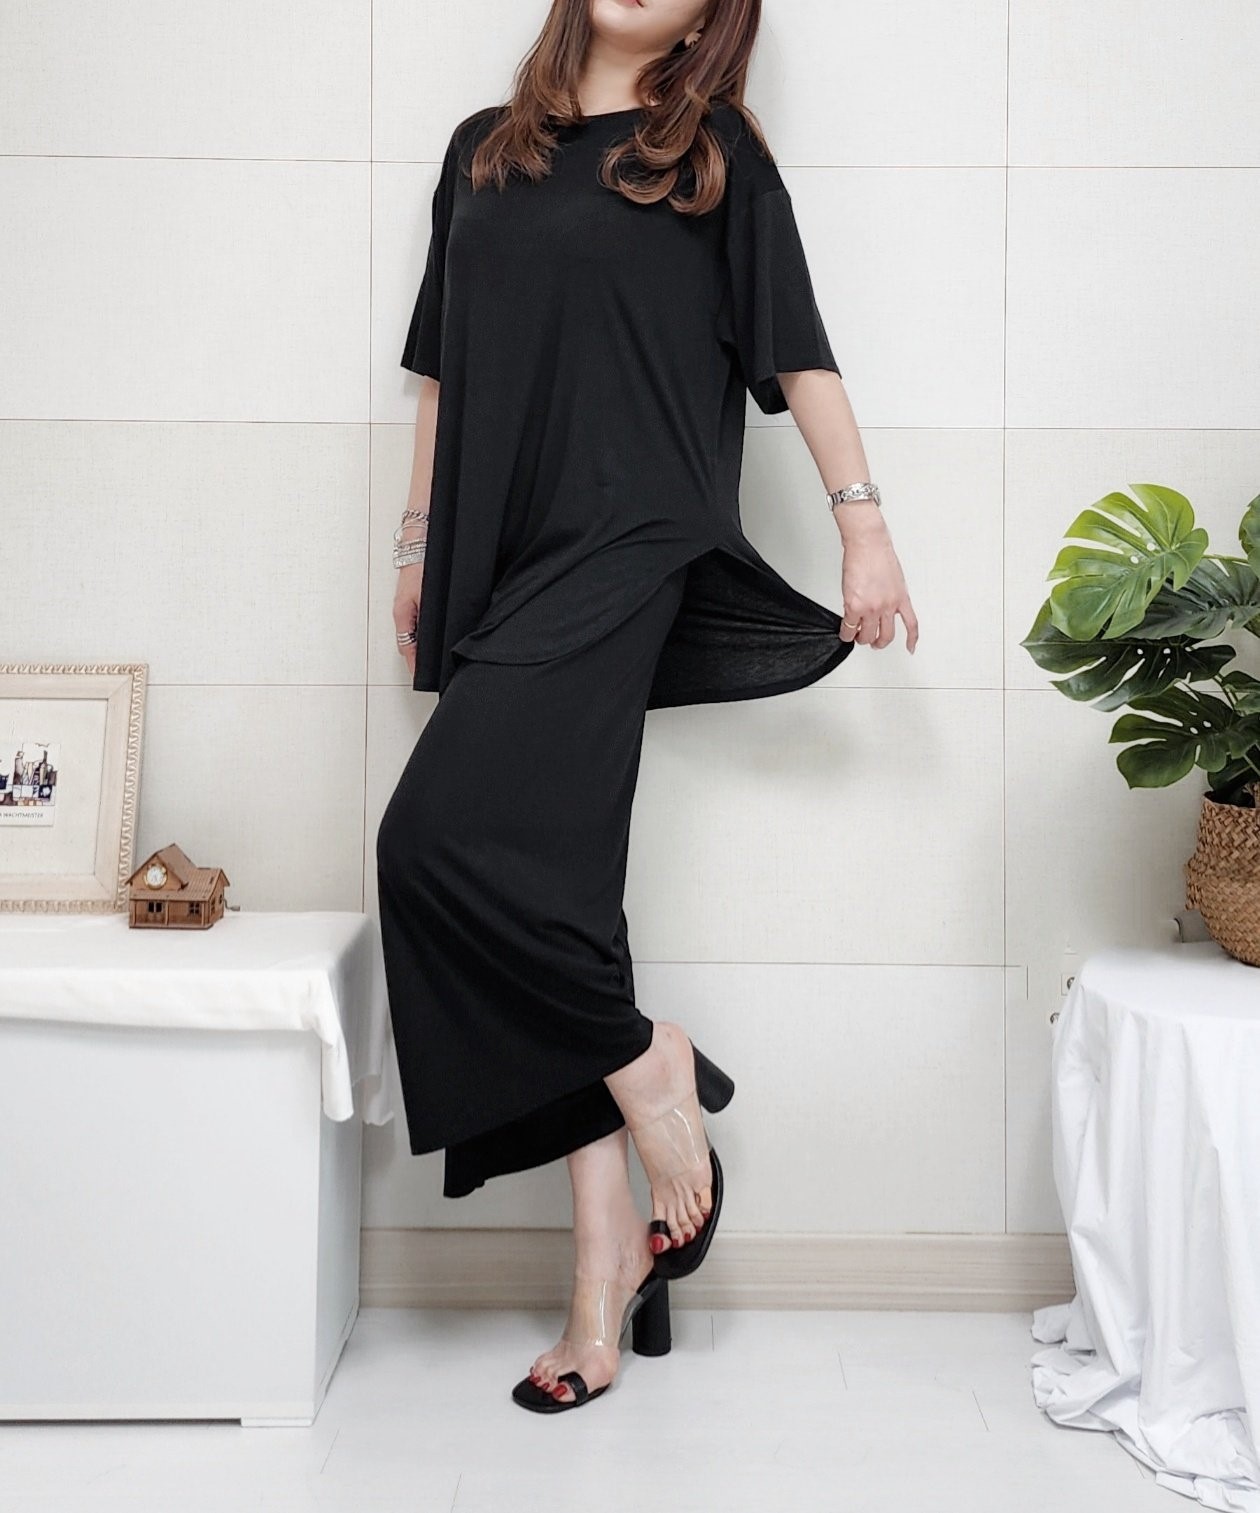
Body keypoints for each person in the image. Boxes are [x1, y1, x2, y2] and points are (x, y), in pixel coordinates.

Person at [375, 0, 918, 1414]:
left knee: (425, 846)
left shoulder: (715, 154)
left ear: (711, 17)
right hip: (501, 551)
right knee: (553, 892)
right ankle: (605, 1261)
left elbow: (798, 351)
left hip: (634, 538)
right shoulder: (483, 151)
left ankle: (647, 1061)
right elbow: (442, 371)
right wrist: (417, 544)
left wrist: (863, 527)